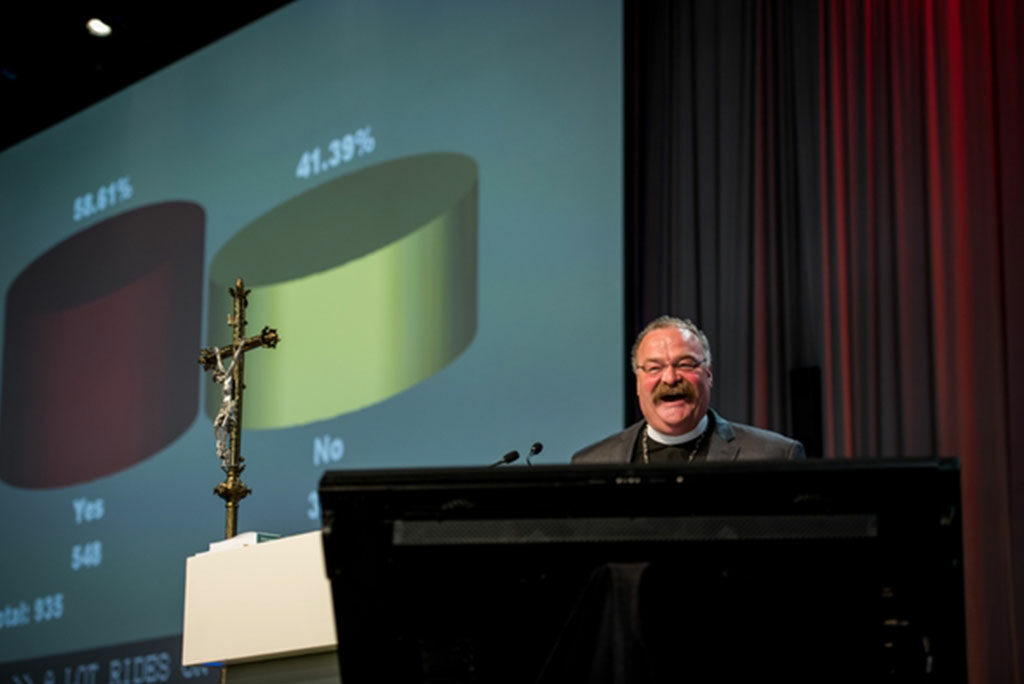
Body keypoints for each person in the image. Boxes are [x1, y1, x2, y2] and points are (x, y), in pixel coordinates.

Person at [572, 315, 804, 463]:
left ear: (708, 374)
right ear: (637, 382)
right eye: (654, 368)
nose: (671, 378)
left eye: (685, 364)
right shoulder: (591, 463)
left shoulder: (774, 457)